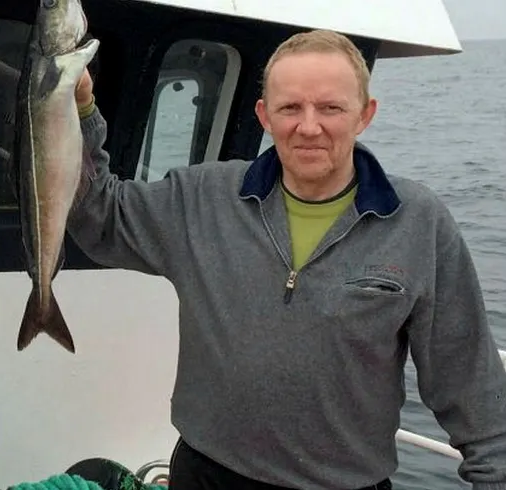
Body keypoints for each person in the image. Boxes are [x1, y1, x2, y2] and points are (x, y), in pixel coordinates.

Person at [67, 29, 506, 490]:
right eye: (290, 108)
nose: (309, 126)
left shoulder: (418, 222)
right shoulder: (202, 198)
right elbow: (96, 213)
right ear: (265, 115)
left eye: (331, 108)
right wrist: (79, 110)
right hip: (204, 475)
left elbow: (470, 384)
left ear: (365, 115)